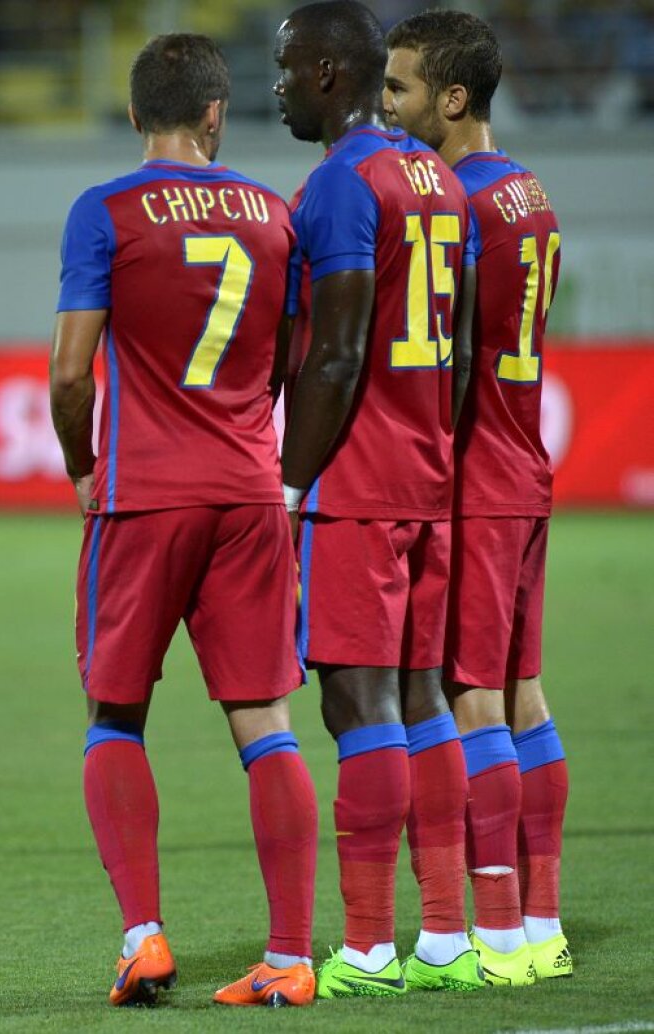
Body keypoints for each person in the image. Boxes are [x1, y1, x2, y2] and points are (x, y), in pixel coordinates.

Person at [51, 33, 318, 1009]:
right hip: (248, 494)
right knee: (267, 725)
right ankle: (290, 954)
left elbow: (71, 373)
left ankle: (145, 939)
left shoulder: (105, 211)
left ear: (135, 115)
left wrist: (82, 467)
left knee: (115, 713)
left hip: (144, 495)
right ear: (216, 114)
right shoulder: (275, 215)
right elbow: (296, 360)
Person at [272, 0, 484, 997]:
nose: (277, 87)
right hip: (429, 473)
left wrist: (288, 484)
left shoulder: (339, 185)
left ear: (326, 73)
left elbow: (337, 352)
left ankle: (366, 946)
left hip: (355, 484)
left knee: (357, 703)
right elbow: (465, 348)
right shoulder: (440, 177)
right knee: (425, 696)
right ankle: (445, 933)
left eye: (284, 68)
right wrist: (437, 446)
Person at [384, 9, 570, 987]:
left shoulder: (456, 202)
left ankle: (493, 932)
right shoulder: (529, 190)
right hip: (527, 465)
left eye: (401, 88)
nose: (388, 106)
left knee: (471, 697)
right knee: (525, 694)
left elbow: (448, 360)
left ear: (452, 99)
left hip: (476, 478)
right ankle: (541, 924)